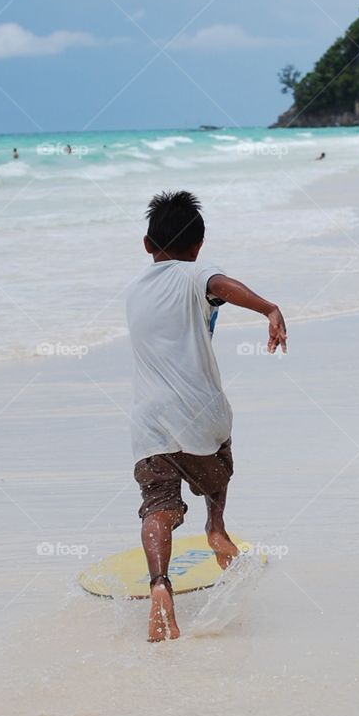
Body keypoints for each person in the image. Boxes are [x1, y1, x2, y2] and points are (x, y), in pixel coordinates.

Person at [126, 190, 287, 642]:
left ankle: (160, 586)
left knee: (157, 506)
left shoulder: (133, 289)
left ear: (146, 245)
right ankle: (215, 528)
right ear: (198, 246)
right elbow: (220, 286)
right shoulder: (196, 274)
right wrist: (269, 309)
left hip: (148, 422)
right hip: (201, 414)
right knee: (218, 468)